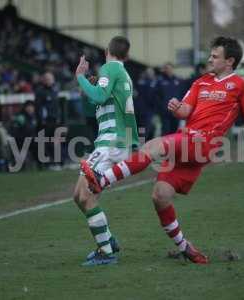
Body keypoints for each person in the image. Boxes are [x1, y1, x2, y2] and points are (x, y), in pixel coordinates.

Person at [81, 36, 244, 265]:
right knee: (160, 196)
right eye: (210, 55)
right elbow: (186, 110)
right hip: (188, 142)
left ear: (230, 61)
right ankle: (186, 248)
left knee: (152, 146)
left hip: (205, 142)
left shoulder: (241, 86)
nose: (209, 59)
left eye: (215, 56)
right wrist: (177, 109)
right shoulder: (201, 82)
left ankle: (102, 180)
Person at [73, 36, 139, 266]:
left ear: (106, 51)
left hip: (111, 142)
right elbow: (102, 100)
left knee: (87, 196)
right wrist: (91, 83)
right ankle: (108, 240)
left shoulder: (110, 68)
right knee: (78, 195)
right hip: (115, 141)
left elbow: (98, 96)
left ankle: (106, 251)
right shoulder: (121, 73)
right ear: (127, 56)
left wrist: (80, 77)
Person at [156, 63, 184, 135]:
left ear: (173, 69)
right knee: (165, 131)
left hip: (176, 110)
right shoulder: (160, 81)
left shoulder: (178, 80)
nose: (168, 70)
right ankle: (164, 146)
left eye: (170, 68)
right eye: (167, 68)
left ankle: (173, 146)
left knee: (174, 131)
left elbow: (182, 94)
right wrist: (161, 108)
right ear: (164, 70)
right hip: (165, 111)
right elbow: (156, 96)